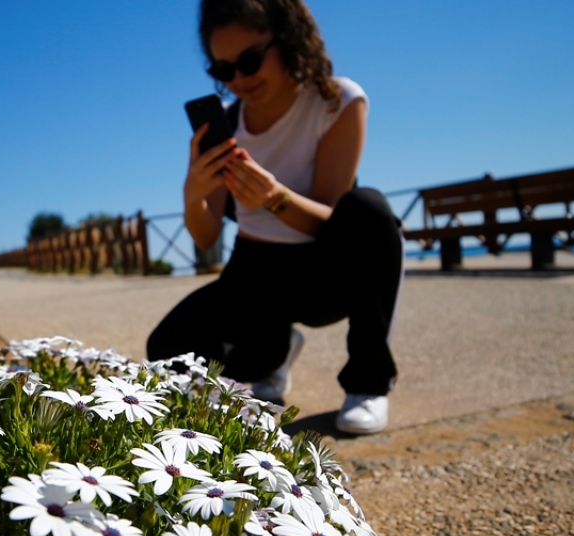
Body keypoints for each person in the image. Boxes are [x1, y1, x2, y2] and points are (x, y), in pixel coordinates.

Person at [146, 0, 403, 435]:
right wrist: (193, 194)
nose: (240, 80)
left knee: (369, 210)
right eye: (223, 70)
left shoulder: (338, 101)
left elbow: (334, 219)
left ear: (287, 41)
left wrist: (274, 197)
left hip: (322, 272)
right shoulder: (225, 124)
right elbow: (206, 231)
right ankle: (272, 355)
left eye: (249, 61)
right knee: (167, 350)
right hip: (252, 274)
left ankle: (368, 383)